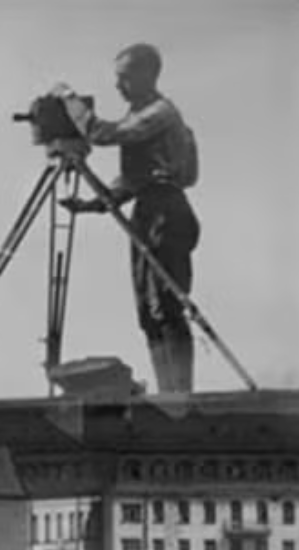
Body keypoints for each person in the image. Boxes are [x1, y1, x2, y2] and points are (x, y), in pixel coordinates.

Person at [55, 43, 200, 395]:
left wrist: (69, 100)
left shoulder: (160, 113)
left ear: (147, 75)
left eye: (124, 78)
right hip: (147, 212)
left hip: (166, 213)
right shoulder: (138, 114)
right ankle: (169, 394)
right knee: (148, 312)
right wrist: (90, 205)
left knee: (165, 305)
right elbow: (132, 182)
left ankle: (179, 395)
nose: (118, 86)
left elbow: (106, 134)